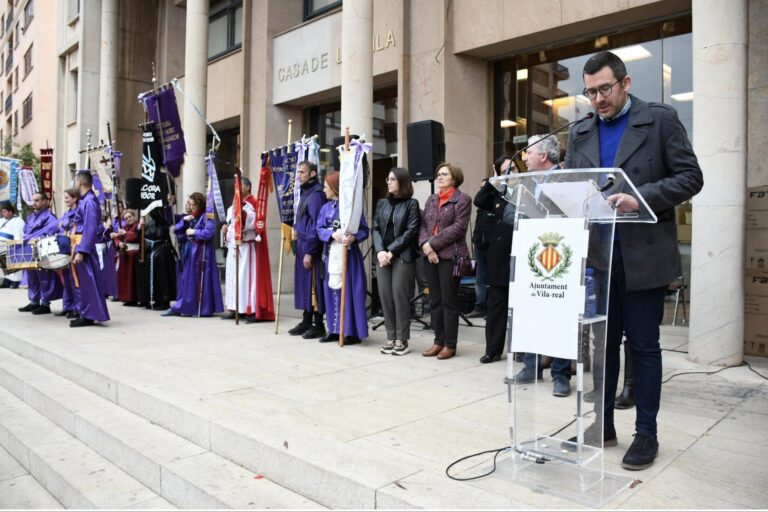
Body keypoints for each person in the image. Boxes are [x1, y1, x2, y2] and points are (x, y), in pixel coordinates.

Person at [565, 51, 703, 470]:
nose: (598, 99)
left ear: (625, 83)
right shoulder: (581, 132)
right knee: (603, 347)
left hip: (644, 253)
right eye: (590, 92)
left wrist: (640, 198)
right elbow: (571, 184)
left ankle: (646, 434)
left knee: (643, 346)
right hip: (599, 256)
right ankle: (602, 427)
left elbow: (691, 177)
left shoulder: (660, 120)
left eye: (604, 89)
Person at [509, 134, 574, 398]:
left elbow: (570, 213)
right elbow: (511, 213)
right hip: (531, 253)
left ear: (544, 156)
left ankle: (561, 374)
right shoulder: (526, 183)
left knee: (559, 317)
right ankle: (531, 366)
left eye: (529, 152)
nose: (524, 157)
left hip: (558, 256)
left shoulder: (566, 180)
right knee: (531, 312)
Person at [419, 162, 472, 360]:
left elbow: (458, 228)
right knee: (435, 301)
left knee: (449, 302)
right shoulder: (431, 199)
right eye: (438, 174)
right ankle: (438, 341)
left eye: (444, 174)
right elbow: (423, 226)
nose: (439, 177)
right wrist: (426, 246)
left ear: (455, 178)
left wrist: (432, 245)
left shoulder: (463, 199)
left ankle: (450, 344)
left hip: (451, 256)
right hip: (430, 255)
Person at [372, 167, 420, 355]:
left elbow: (411, 231)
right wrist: (380, 251)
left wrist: (391, 251)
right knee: (385, 297)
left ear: (402, 181)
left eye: (392, 179)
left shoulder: (412, 204)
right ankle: (391, 337)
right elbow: (375, 228)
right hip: (383, 256)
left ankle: (402, 339)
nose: (389, 182)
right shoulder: (382, 203)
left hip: (402, 256)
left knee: (400, 296)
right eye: (388, 179)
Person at [316, 172, 369, 344]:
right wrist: (331, 234)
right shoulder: (325, 208)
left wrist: (353, 237)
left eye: (326, 186)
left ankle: (350, 332)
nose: (324, 190)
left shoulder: (351, 208)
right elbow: (319, 228)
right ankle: (334, 329)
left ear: (334, 187)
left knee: (349, 291)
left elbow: (364, 230)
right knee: (331, 290)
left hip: (349, 256)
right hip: (331, 255)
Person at [474, 155, 514, 364]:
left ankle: (521, 350)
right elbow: (479, 200)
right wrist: (494, 181)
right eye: (506, 170)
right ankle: (493, 350)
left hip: (521, 254)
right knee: (497, 305)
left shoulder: (527, 191)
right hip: (499, 256)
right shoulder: (498, 194)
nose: (511, 173)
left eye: (513, 169)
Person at [222, 177, 275, 322]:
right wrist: (226, 228)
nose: (236, 188)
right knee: (234, 279)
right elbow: (231, 224)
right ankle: (236, 308)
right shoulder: (233, 205)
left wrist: (242, 215)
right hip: (234, 247)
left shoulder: (253, 204)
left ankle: (250, 310)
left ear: (247, 187)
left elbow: (253, 223)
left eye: (239, 185)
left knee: (246, 279)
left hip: (247, 247)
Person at [164, 192, 222, 317]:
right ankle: (183, 306)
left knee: (200, 280)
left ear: (198, 204)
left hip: (203, 253)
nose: (190, 206)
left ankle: (201, 308)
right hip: (192, 252)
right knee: (187, 280)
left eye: (192, 204)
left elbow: (209, 232)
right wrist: (184, 221)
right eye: (190, 204)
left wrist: (194, 231)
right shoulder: (190, 216)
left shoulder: (207, 215)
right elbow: (176, 229)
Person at [288, 161, 327, 339]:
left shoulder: (317, 194)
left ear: (312, 174)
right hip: (302, 242)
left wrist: (310, 251)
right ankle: (306, 320)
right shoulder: (306, 191)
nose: (299, 176)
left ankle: (318, 324)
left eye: (302, 172)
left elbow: (315, 224)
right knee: (305, 285)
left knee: (314, 285)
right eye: (298, 172)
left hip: (310, 245)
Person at [70, 171, 110, 327]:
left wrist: (82, 251)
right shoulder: (85, 200)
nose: (74, 184)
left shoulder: (90, 202)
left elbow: (90, 227)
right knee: (81, 281)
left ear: (79, 182)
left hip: (83, 245)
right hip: (78, 243)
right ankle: (84, 311)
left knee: (88, 281)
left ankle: (89, 314)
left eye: (75, 181)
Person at [18, 192, 63, 315]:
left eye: (37, 200)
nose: (35, 203)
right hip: (30, 250)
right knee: (32, 276)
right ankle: (34, 301)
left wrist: (38, 238)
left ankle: (45, 303)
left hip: (43, 249)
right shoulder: (31, 216)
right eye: (34, 200)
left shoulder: (50, 216)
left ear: (44, 201)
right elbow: (26, 231)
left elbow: (52, 232)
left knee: (44, 277)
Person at [137, 205, 177, 311]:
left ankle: (164, 300)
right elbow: (141, 235)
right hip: (152, 253)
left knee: (162, 278)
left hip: (161, 254)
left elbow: (160, 234)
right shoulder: (150, 222)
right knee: (154, 278)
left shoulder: (163, 222)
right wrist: (140, 226)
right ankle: (156, 299)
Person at [56, 188, 80, 318]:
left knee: (74, 280)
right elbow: (62, 229)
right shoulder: (67, 213)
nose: (65, 200)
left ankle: (77, 307)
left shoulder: (79, 212)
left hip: (74, 247)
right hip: (65, 248)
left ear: (75, 198)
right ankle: (67, 306)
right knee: (65, 279)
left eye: (67, 198)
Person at [112, 209, 140, 306]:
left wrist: (125, 233)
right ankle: (127, 298)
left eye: (129, 217)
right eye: (126, 218)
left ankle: (135, 298)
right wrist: (119, 243)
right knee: (125, 278)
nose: (128, 219)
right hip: (125, 255)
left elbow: (135, 236)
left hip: (135, 254)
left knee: (133, 278)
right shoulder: (124, 227)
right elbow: (117, 238)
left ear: (134, 216)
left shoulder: (138, 225)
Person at [0, 201, 25, 288]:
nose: (3, 214)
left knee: (14, 263)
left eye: (5, 212)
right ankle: (7, 280)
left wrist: (15, 245)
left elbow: (18, 235)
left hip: (11, 244)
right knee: (5, 263)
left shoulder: (18, 221)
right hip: (2, 245)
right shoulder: (2, 220)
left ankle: (15, 281)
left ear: (10, 211)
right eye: (2, 212)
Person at [96, 211, 118, 300]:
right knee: (99, 268)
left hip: (104, 247)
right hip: (97, 247)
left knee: (104, 268)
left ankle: (105, 290)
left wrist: (108, 227)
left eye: (103, 215)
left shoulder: (107, 224)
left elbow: (107, 236)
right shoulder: (97, 224)